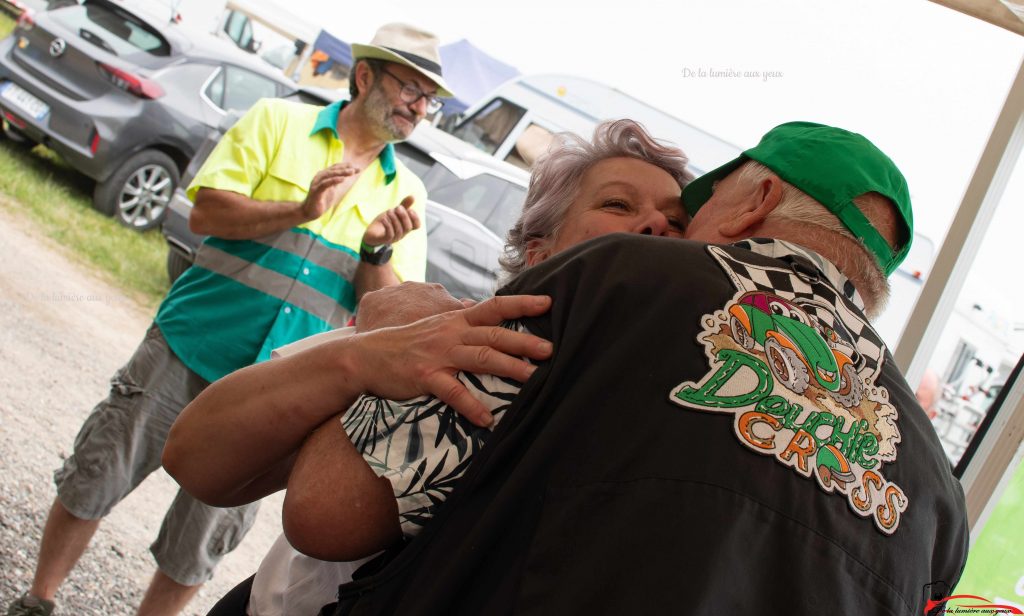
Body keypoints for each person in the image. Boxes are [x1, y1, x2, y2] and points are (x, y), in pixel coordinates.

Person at [182, 121, 967, 615]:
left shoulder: (617, 285)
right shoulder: (936, 494)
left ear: (756, 197)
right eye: (625, 210)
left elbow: (325, 510)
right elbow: (204, 457)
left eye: (693, 210)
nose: (670, 234)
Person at [6, 22, 451, 616]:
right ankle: (39, 599)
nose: (419, 107)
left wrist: (376, 251)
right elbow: (206, 213)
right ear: (365, 76)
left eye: (429, 98)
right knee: (97, 472)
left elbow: (386, 318)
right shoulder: (276, 122)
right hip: (190, 343)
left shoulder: (408, 194)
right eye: (410, 89)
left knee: (199, 544)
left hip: (278, 395)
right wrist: (301, 208)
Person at [163, 119, 695, 615]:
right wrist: (362, 356)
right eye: (618, 205)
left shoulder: (671, 414)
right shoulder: (443, 334)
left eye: (676, 222)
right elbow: (197, 459)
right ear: (541, 255)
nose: (655, 225)